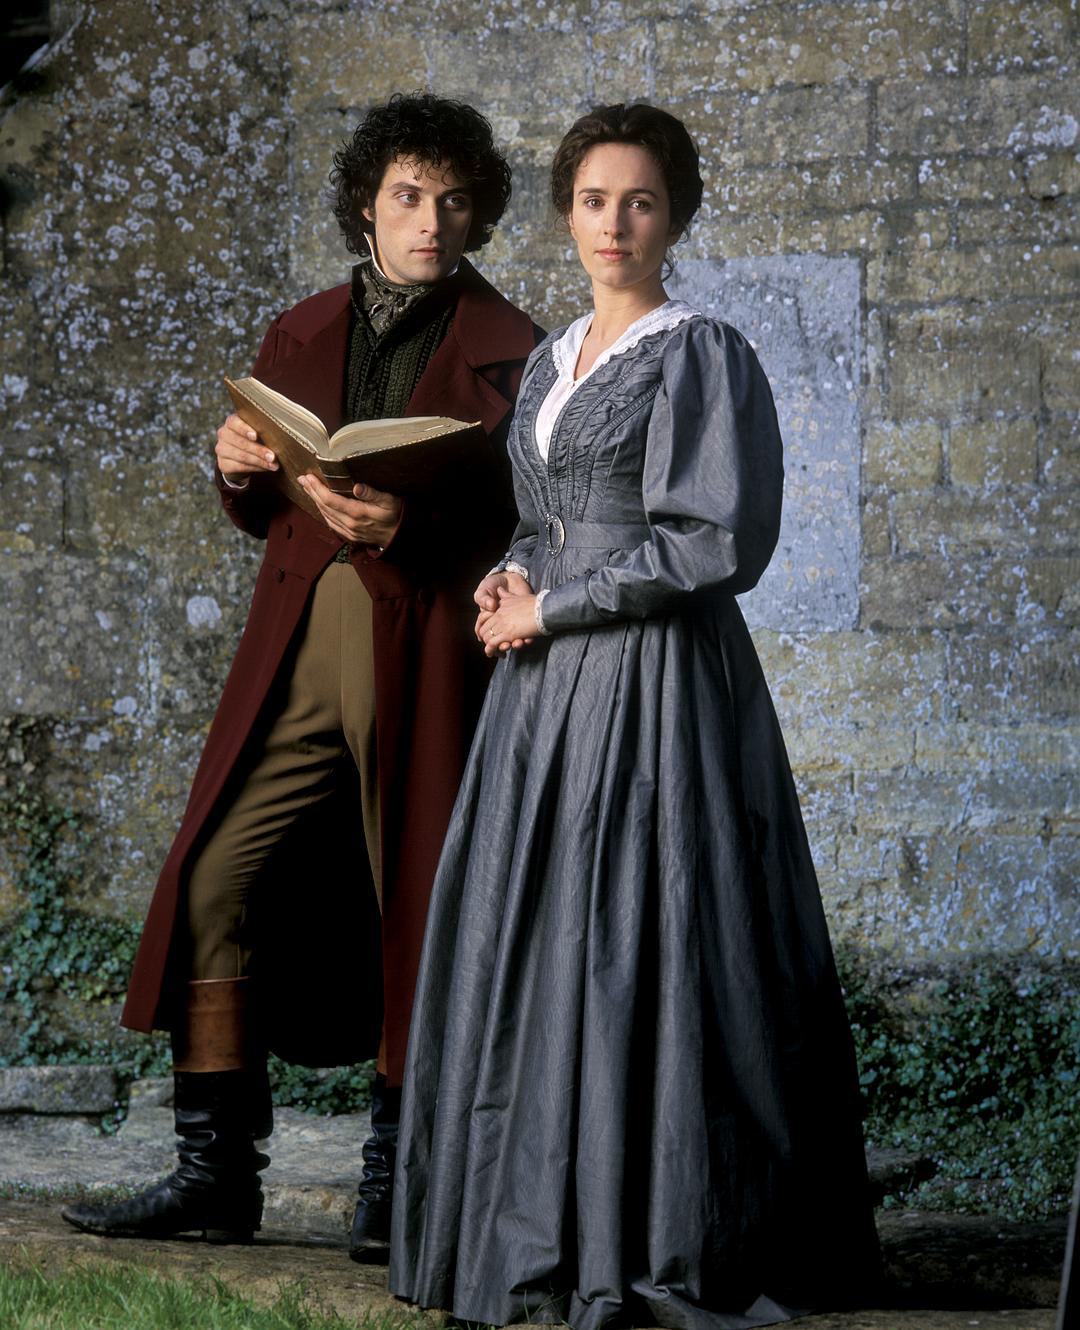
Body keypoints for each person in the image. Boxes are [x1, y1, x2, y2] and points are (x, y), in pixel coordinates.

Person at [390, 102, 881, 1327]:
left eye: (642, 201)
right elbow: (543, 513)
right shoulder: (553, 357)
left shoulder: (699, 350)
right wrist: (509, 572)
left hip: (653, 684)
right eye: (596, 199)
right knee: (539, 933)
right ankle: (535, 1220)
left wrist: (551, 609)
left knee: (640, 932)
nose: (616, 223)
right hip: (543, 694)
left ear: (676, 216)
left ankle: (655, 1223)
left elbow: (713, 541)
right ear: (568, 213)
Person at [60, 92, 542, 1260]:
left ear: (479, 215)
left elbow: (542, 530)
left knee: (418, 900)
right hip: (294, 652)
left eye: (455, 202)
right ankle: (216, 1177)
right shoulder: (301, 329)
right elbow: (267, 506)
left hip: (427, 656)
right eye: (409, 196)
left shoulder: (523, 351)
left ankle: (399, 1183)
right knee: (214, 876)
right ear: (366, 205)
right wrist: (238, 464)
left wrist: (415, 526)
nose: (431, 221)